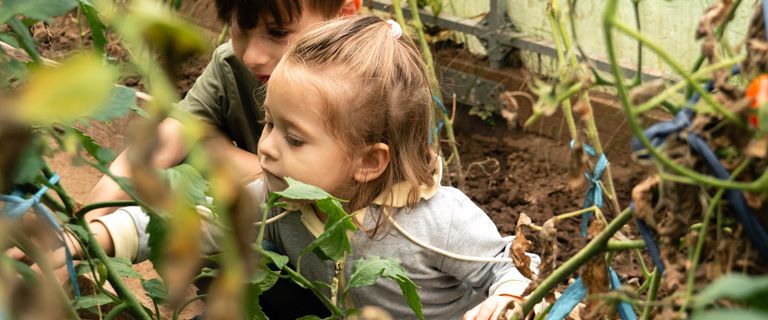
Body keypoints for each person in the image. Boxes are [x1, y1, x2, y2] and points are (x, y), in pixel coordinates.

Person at [93, 15, 539, 319]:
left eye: (294, 138)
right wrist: (101, 235)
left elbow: (511, 265)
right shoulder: (279, 201)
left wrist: (507, 299)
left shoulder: (436, 220)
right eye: (268, 122)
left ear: (369, 161)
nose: (265, 147)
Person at [84, 0, 361, 221]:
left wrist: (219, 152)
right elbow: (156, 148)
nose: (252, 57)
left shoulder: (372, 86)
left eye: (278, 33)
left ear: (345, 14)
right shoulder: (230, 65)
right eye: (239, 30)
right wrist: (81, 232)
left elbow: (330, 199)